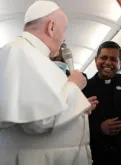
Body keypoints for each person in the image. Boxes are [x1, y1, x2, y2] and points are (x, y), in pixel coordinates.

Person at [0, 1, 96, 165]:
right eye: (64, 30)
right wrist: (74, 86)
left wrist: (78, 110)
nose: (64, 37)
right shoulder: (19, 51)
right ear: (51, 27)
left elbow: (49, 106)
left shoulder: (34, 56)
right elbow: (39, 121)